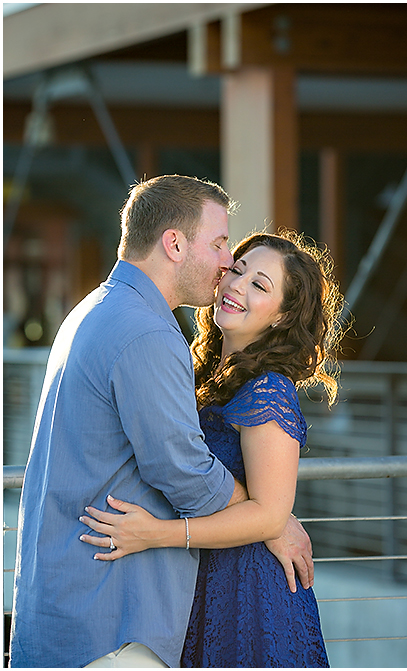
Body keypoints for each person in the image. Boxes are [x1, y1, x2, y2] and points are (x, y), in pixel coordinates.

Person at [9, 175, 313, 668]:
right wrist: (273, 520)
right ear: (174, 244)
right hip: (109, 616)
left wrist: (269, 513)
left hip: (104, 599)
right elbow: (184, 470)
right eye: (219, 246)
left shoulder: (96, 308)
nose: (225, 266)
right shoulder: (147, 332)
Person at [78, 231, 342, 667]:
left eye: (260, 285)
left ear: (281, 316)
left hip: (248, 590)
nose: (237, 285)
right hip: (199, 576)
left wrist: (155, 535)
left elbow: (268, 512)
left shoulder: (268, 390)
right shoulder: (200, 373)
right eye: (237, 270)